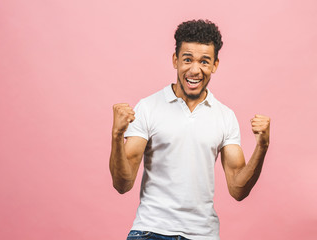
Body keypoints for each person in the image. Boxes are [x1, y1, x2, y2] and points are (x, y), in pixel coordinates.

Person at [109, 19, 270, 240]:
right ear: (175, 60)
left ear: (215, 65)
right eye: (187, 59)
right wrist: (117, 136)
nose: (195, 70)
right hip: (150, 231)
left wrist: (262, 147)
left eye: (204, 61)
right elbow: (123, 183)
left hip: (202, 235)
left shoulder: (225, 116)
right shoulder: (147, 107)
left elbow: (238, 189)